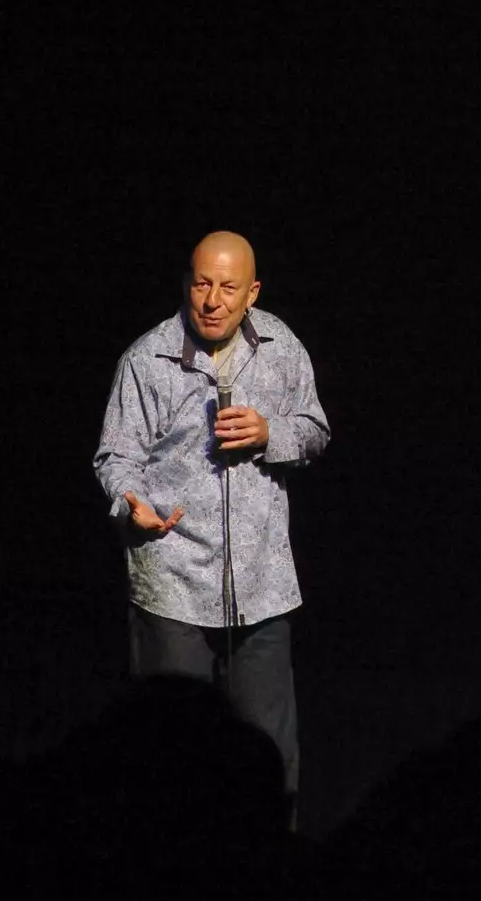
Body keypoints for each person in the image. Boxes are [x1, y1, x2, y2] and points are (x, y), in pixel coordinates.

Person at [93, 230, 329, 814]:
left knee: (269, 756)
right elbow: (116, 456)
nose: (213, 300)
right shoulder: (147, 359)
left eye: (228, 288)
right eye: (202, 284)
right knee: (170, 758)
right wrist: (129, 500)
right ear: (186, 284)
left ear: (252, 292)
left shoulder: (282, 347)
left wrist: (273, 434)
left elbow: (315, 431)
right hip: (173, 583)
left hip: (261, 585)